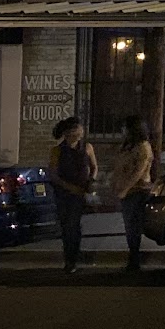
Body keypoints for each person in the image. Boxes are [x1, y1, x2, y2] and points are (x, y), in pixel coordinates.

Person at [50, 116, 98, 273]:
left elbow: (94, 167)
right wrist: (69, 187)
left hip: (80, 192)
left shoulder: (87, 147)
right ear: (68, 132)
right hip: (64, 193)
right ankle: (69, 259)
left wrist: (91, 181)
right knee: (67, 226)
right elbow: (53, 174)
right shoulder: (58, 151)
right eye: (78, 129)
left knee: (74, 225)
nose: (81, 132)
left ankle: (73, 258)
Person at [112, 114, 157, 273]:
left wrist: (125, 189)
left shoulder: (143, 147)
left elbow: (138, 172)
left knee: (133, 227)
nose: (123, 130)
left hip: (137, 191)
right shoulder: (127, 145)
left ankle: (134, 259)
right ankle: (133, 258)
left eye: (125, 127)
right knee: (130, 226)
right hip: (126, 190)